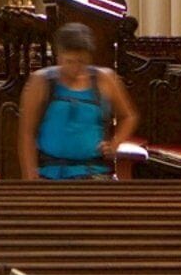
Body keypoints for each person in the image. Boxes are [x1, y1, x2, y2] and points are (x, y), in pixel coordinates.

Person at [17, 23, 139, 182]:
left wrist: (115, 143)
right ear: (58, 56)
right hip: (50, 173)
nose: (75, 67)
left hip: (95, 173)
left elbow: (129, 116)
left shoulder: (105, 79)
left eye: (81, 61)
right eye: (69, 61)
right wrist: (29, 175)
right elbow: (26, 133)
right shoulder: (41, 82)